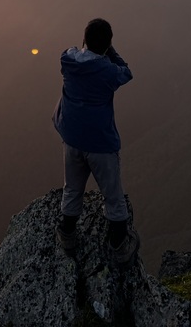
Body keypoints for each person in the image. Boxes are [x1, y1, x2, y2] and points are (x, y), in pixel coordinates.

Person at [52, 17, 139, 263]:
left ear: (84, 39)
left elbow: (72, 51)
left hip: (72, 138)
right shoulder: (108, 71)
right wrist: (110, 51)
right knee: (113, 195)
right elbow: (127, 73)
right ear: (107, 44)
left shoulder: (67, 60)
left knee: (72, 188)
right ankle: (119, 245)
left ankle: (67, 235)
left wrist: (93, 47)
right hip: (100, 143)